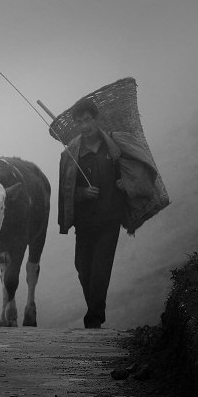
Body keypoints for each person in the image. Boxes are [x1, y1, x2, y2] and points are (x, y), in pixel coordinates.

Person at [57, 98, 159, 329]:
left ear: (96, 119)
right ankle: (95, 313)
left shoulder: (114, 146)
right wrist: (83, 193)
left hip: (109, 220)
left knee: (101, 267)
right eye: (80, 121)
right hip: (85, 224)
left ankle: (93, 319)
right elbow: (66, 191)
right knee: (83, 268)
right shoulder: (71, 155)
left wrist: (127, 183)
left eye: (88, 119)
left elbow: (137, 169)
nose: (85, 125)